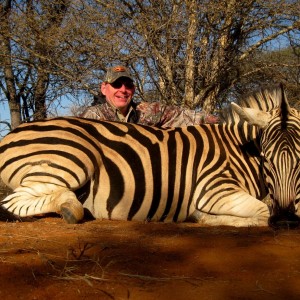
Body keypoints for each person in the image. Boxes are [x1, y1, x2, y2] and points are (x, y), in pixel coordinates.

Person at [81, 65, 219, 127]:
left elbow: (184, 116)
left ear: (133, 89)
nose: (123, 90)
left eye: (128, 85)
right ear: (104, 89)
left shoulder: (147, 111)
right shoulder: (91, 117)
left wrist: (220, 120)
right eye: (116, 84)